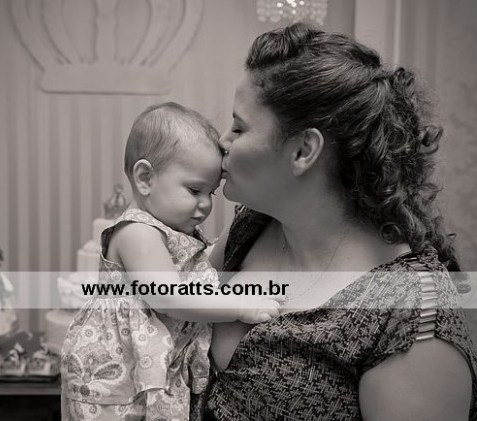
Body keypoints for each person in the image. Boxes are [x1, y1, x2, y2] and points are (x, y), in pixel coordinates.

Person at [194, 23, 477, 420]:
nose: (222, 141)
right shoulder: (252, 226)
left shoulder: (411, 317)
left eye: (239, 128)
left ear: (303, 150)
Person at [60, 102, 284, 421]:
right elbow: (168, 296)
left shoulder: (172, 233)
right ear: (145, 178)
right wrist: (238, 306)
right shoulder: (137, 232)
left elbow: (194, 271)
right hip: (115, 376)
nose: (205, 205)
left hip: (144, 371)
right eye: (194, 190)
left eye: (211, 193)